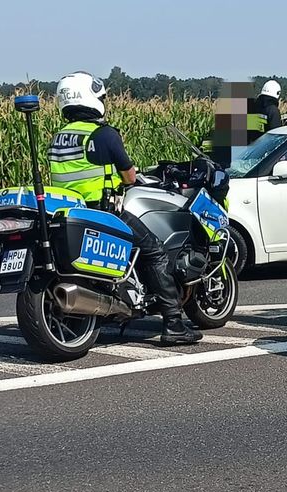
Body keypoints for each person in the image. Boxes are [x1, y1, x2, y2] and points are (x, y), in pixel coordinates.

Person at [47, 71, 202, 344]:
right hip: (105, 210)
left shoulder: (59, 137)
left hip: (70, 211)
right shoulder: (103, 134)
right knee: (154, 252)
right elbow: (129, 177)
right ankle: (174, 324)